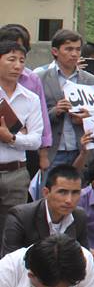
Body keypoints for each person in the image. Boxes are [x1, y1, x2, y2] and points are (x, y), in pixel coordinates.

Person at [39, 29, 94, 170]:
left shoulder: (91, 80)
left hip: (82, 149)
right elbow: (34, 117)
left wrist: (87, 118)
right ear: (55, 51)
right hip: (52, 151)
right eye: (68, 49)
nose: (74, 54)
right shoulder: (41, 78)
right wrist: (55, 111)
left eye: (78, 49)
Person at [0, 40, 44, 231]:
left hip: (16, 174)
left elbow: (35, 141)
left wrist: (11, 138)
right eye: (11, 59)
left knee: (12, 229)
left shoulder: (31, 98)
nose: (17, 66)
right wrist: (21, 133)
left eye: (22, 61)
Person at [1, 164, 87, 256]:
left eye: (75, 193)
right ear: (46, 193)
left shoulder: (79, 216)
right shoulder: (21, 216)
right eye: (62, 192)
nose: (69, 200)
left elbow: (83, 257)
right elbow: (10, 261)